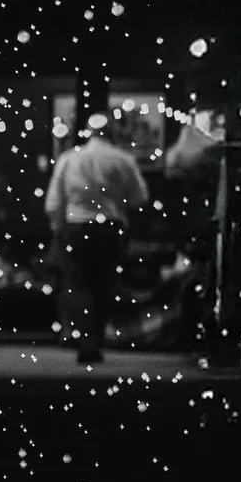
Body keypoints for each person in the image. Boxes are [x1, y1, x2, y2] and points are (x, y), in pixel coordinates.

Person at [45, 111, 148, 365]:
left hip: (77, 225)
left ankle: (85, 340)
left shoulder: (70, 159)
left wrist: (58, 227)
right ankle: (97, 339)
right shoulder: (123, 160)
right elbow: (140, 197)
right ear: (111, 133)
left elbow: (53, 201)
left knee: (78, 283)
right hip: (110, 227)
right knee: (103, 283)